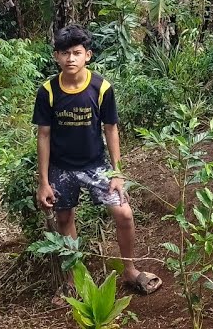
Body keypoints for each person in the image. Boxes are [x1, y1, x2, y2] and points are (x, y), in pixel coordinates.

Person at [33, 24, 161, 296]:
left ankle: (130, 270)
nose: (70, 59)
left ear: (87, 55)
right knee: (64, 217)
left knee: (124, 213)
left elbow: (111, 129)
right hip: (62, 168)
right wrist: (43, 182)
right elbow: (43, 135)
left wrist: (117, 172)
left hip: (96, 166)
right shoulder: (48, 92)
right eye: (64, 53)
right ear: (56, 56)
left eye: (76, 53)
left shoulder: (101, 87)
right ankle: (73, 279)